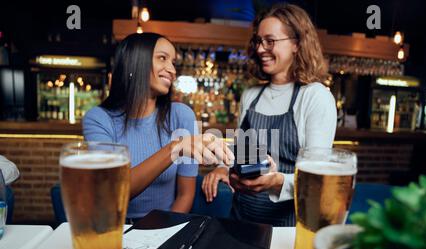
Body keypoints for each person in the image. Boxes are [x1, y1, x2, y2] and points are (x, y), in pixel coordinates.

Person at [202, 3, 337, 226]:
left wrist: (276, 182)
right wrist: (223, 168)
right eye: (258, 41)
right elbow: (243, 153)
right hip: (240, 220)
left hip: (286, 227)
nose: (260, 49)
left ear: (296, 43)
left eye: (270, 41)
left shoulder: (315, 97)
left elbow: (316, 182)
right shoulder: (251, 95)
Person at [83, 33, 233, 221]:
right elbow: (113, 192)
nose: (172, 70)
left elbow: (185, 195)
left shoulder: (181, 116)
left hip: (163, 224)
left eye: (173, 62)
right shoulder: (99, 119)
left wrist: (162, 232)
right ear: (135, 61)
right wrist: (174, 148)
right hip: (113, 227)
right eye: (162, 58)